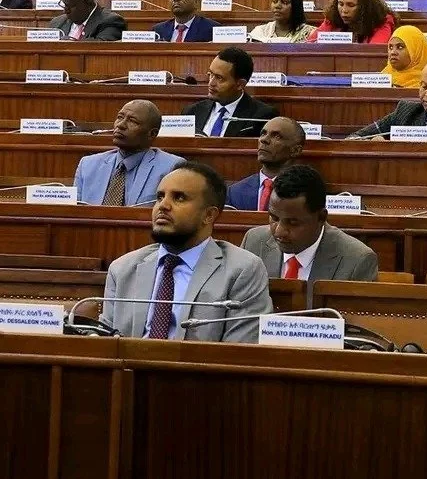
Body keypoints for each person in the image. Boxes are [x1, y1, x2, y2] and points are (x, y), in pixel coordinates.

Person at [102, 160, 272, 343]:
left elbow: (239, 350)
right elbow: (105, 343)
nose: (163, 205)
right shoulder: (123, 269)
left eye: (179, 198)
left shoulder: (241, 270)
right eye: (160, 197)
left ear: (209, 215)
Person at [243, 164, 378, 283]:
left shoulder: (357, 260)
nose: (279, 231)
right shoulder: (253, 242)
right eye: (274, 218)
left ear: (321, 217)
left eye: (293, 222)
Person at [74, 99, 185, 206]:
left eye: (132, 121)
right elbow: (75, 212)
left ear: (152, 134)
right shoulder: (88, 165)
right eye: (120, 117)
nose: (120, 125)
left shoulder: (171, 167)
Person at [183, 48, 279, 137]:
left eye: (219, 78)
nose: (211, 83)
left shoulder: (262, 116)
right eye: (211, 74)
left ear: (240, 84)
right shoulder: (192, 112)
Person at [226, 117, 305, 211]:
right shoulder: (234, 192)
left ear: (296, 150)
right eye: (263, 134)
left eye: (277, 136)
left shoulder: (308, 191)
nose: (264, 139)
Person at [308, 0, 396, 44]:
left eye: (351, 5)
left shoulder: (382, 21)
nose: (344, 10)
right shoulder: (333, 18)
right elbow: (309, 44)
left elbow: (374, 51)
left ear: (365, 6)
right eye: (340, 4)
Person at [48, 0, 127, 41]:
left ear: (88, 3)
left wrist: (68, 44)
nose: (65, 11)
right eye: (64, 4)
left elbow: (101, 47)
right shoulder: (57, 23)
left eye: (70, 6)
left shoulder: (111, 21)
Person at [248, 0, 316, 43]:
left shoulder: (310, 33)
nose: (277, 6)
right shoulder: (260, 31)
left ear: (296, 6)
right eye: (275, 1)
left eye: (284, 2)